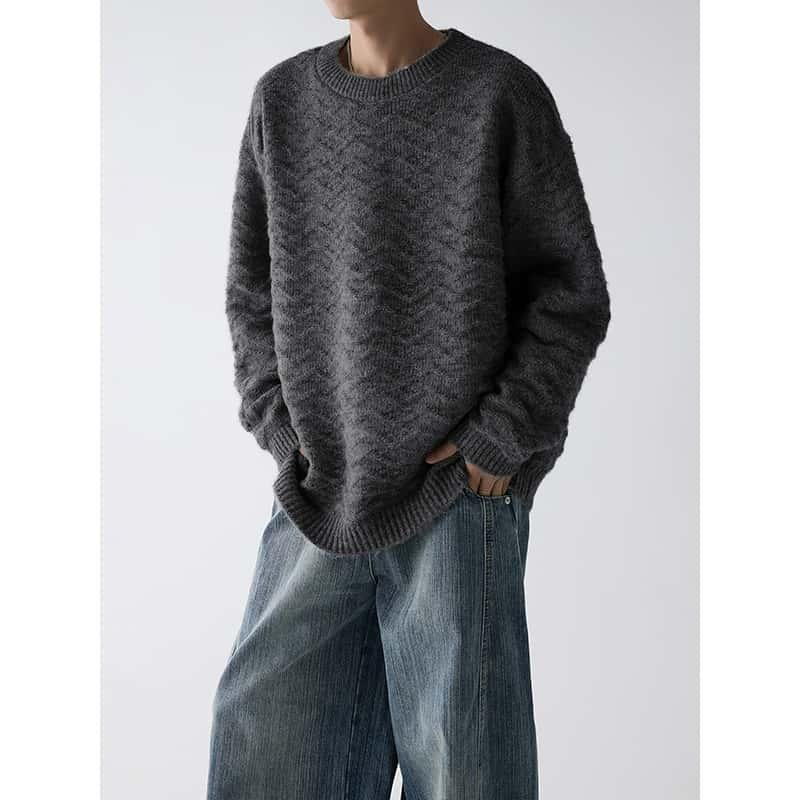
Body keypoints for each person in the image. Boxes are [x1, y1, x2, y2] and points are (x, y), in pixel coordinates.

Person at [206, 1, 610, 797]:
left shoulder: (499, 94)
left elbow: (570, 292)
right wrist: (282, 429)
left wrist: (502, 435)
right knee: (264, 756)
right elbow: (250, 294)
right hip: (317, 497)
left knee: (466, 777)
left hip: (456, 501)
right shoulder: (281, 101)